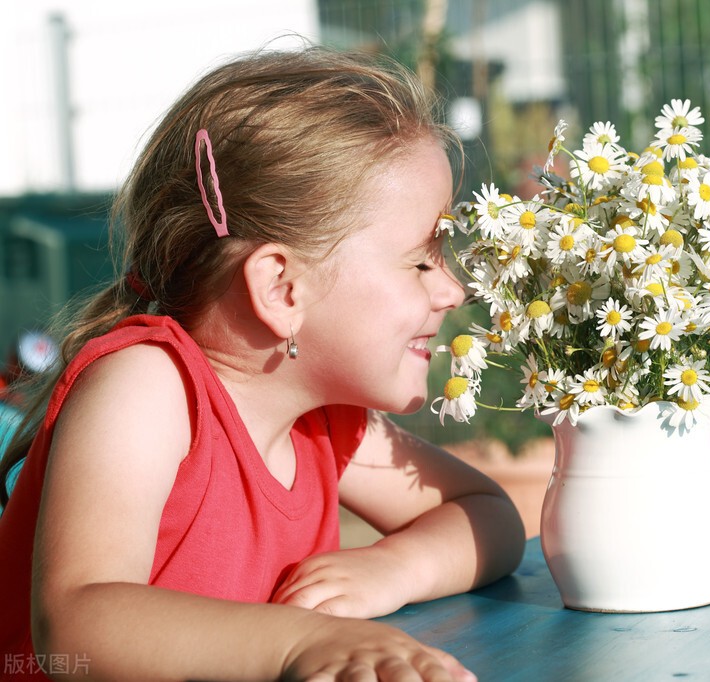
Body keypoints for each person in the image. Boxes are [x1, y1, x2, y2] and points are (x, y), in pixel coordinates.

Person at [0, 45, 525, 681]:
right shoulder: (146, 387)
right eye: (421, 259)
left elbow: (487, 513)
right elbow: (76, 623)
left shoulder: (325, 421)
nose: (452, 290)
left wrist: (395, 568)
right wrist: (300, 643)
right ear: (282, 288)